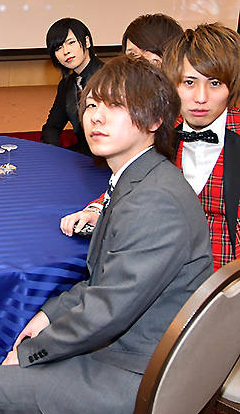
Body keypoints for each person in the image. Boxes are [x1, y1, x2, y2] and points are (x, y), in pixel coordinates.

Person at [0, 55, 213, 414]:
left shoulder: (154, 201)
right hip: (134, 354)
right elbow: (104, 283)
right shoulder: (141, 178)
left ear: (155, 120)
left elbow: (107, 309)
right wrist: (49, 314)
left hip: (137, 389)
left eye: (116, 106)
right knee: (21, 332)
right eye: (92, 105)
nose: (96, 117)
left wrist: (33, 352)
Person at [62, 24, 240, 271]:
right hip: (162, 266)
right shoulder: (157, 128)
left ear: (231, 86)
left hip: (226, 276)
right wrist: (98, 210)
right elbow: (133, 176)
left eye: (215, 83)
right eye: (189, 82)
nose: (201, 97)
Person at [40, 18, 103, 154]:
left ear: (87, 42)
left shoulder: (110, 77)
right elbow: (51, 128)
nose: (66, 51)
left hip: (110, 155)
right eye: (58, 48)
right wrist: (54, 154)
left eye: (71, 42)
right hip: (83, 154)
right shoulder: (66, 85)